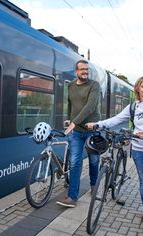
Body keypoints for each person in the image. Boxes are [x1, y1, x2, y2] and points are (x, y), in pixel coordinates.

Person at [86, 76, 143, 235]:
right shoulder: (133, 107)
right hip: (138, 150)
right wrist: (99, 124)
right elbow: (116, 119)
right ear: (137, 89)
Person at [56, 59, 101, 208]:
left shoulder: (94, 85)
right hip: (76, 132)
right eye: (82, 69)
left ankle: (94, 185)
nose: (85, 72)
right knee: (75, 162)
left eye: (87, 70)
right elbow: (70, 105)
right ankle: (72, 197)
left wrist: (74, 121)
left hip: (91, 130)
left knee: (94, 160)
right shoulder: (70, 86)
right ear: (76, 72)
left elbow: (90, 106)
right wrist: (70, 119)